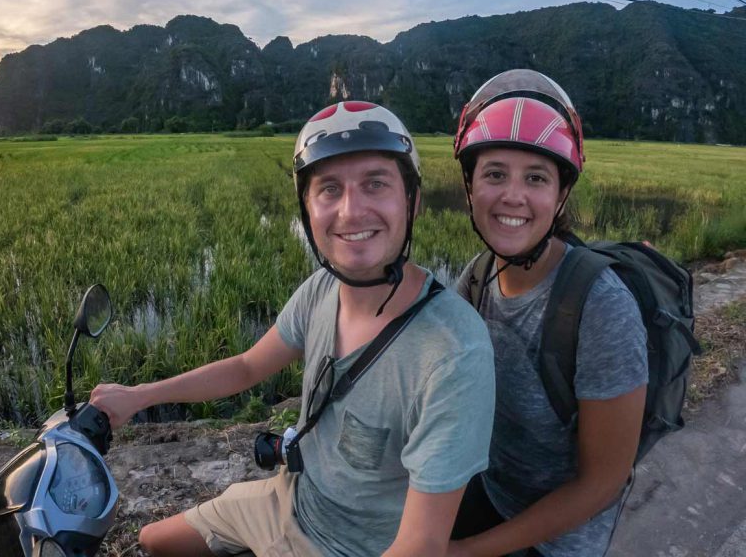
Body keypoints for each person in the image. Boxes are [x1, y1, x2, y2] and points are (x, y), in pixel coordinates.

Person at [91, 101, 495, 557]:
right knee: (152, 542)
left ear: (412, 201)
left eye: (375, 184)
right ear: (308, 209)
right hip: (287, 500)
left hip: (351, 547)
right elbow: (245, 367)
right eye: (329, 190)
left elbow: (420, 545)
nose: (350, 211)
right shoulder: (323, 287)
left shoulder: (452, 351)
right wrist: (139, 395)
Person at [449, 70, 648, 557]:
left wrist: (469, 551)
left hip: (562, 536)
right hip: (493, 490)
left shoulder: (600, 307)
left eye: (535, 177)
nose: (512, 196)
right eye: (495, 173)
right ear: (470, 188)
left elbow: (602, 482)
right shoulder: (475, 279)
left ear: (560, 195)